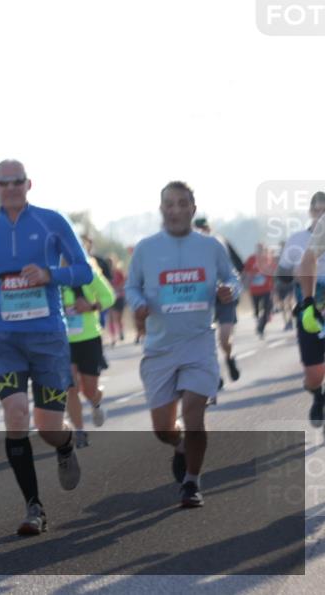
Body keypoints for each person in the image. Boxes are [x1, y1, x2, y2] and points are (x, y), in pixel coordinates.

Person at [0, 159, 89, 536]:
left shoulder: (52, 221)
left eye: (17, 181)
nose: (10, 188)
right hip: (6, 338)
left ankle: (65, 444)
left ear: (28, 184)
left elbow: (84, 271)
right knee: (16, 415)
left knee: (48, 428)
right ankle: (33, 507)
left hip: (48, 338)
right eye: (3, 183)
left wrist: (50, 274)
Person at [126, 182, 241, 508]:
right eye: (169, 204)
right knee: (163, 429)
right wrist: (138, 304)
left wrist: (228, 291)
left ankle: (192, 482)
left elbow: (233, 278)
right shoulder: (146, 249)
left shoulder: (211, 246)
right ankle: (178, 445)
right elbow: (132, 287)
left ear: (192, 208)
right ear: (162, 209)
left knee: (194, 415)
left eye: (182, 204)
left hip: (198, 343)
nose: (175, 210)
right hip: (160, 348)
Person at [62, 257, 116, 448]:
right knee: (71, 387)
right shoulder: (52, 277)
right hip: (64, 341)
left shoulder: (88, 273)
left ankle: (95, 402)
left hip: (89, 339)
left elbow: (109, 297)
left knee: (89, 390)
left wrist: (91, 306)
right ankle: (79, 431)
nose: (62, 259)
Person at [289, 191, 325, 428]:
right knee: (314, 377)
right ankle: (317, 395)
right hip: (317, 306)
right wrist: (308, 300)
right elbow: (307, 261)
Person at [193, 216, 244, 383]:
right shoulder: (190, 247)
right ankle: (215, 373)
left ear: (210, 228)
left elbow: (239, 266)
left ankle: (229, 358)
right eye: (199, 229)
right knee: (205, 340)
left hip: (224, 296)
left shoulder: (220, 242)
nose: (203, 231)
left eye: (205, 228)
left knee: (224, 339)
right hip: (204, 297)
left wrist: (232, 287)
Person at [243, 243, 275, 338]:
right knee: (256, 310)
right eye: (259, 249)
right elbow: (245, 272)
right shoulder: (251, 259)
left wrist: (273, 287)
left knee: (267, 309)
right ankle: (258, 322)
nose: (260, 251)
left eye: (262, 249)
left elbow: (273, 272)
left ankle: (261, 327)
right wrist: (246, 284)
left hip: (266, 289)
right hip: (254, 290)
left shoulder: (268, 258)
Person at [107, 255, 127, 347]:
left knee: (118, 317)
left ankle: (121, 331)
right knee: (111, 317)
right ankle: (113, 338)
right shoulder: (105, 273)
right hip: (110, 298)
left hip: (119, 297)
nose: (110, 264)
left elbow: (124, 282)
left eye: (111, 262)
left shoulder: (119, 272)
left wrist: (117, 288)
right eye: (108, 262)